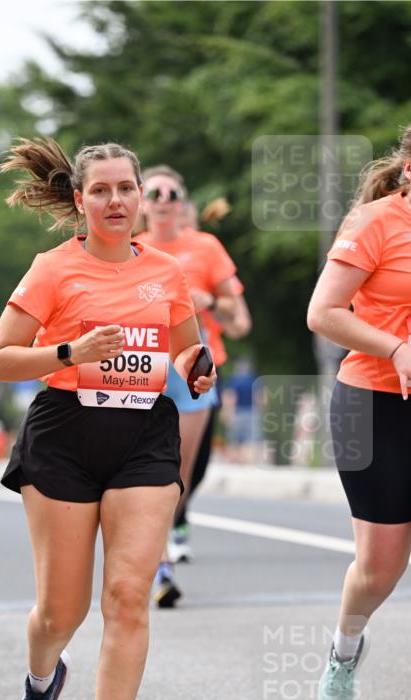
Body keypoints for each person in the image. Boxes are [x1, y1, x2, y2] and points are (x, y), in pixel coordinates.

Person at [0, 138, 215, 700]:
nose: (116, 201)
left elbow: (183, 350)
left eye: (126, 188)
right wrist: (68, 348)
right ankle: (40, 682)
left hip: (144, 434)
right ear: (80, 200)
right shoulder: (53, 270)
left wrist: (197, 367)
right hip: (63, 433)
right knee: (62, 610)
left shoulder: (167, 272)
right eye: (103, 190)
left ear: (140, 197)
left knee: (126, 596)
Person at [307, 110, 411, 700]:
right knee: (378, 566)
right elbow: (323, 312)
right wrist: (396, 349)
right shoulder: (376, 223)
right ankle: (344, 646)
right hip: (373, 404)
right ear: (410, 162)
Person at [136, 167, 251, 603]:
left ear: (182, 202)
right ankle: (160, 565)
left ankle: (170, 529)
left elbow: (240, 322)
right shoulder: (129, 248)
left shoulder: (205, 248)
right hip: (140, 371)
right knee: (148, 470)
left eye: (172, 192)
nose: (163, 199)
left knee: (182, 474)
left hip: (195, 373)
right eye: (154, 192)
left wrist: (212, 303)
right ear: (143, 203)